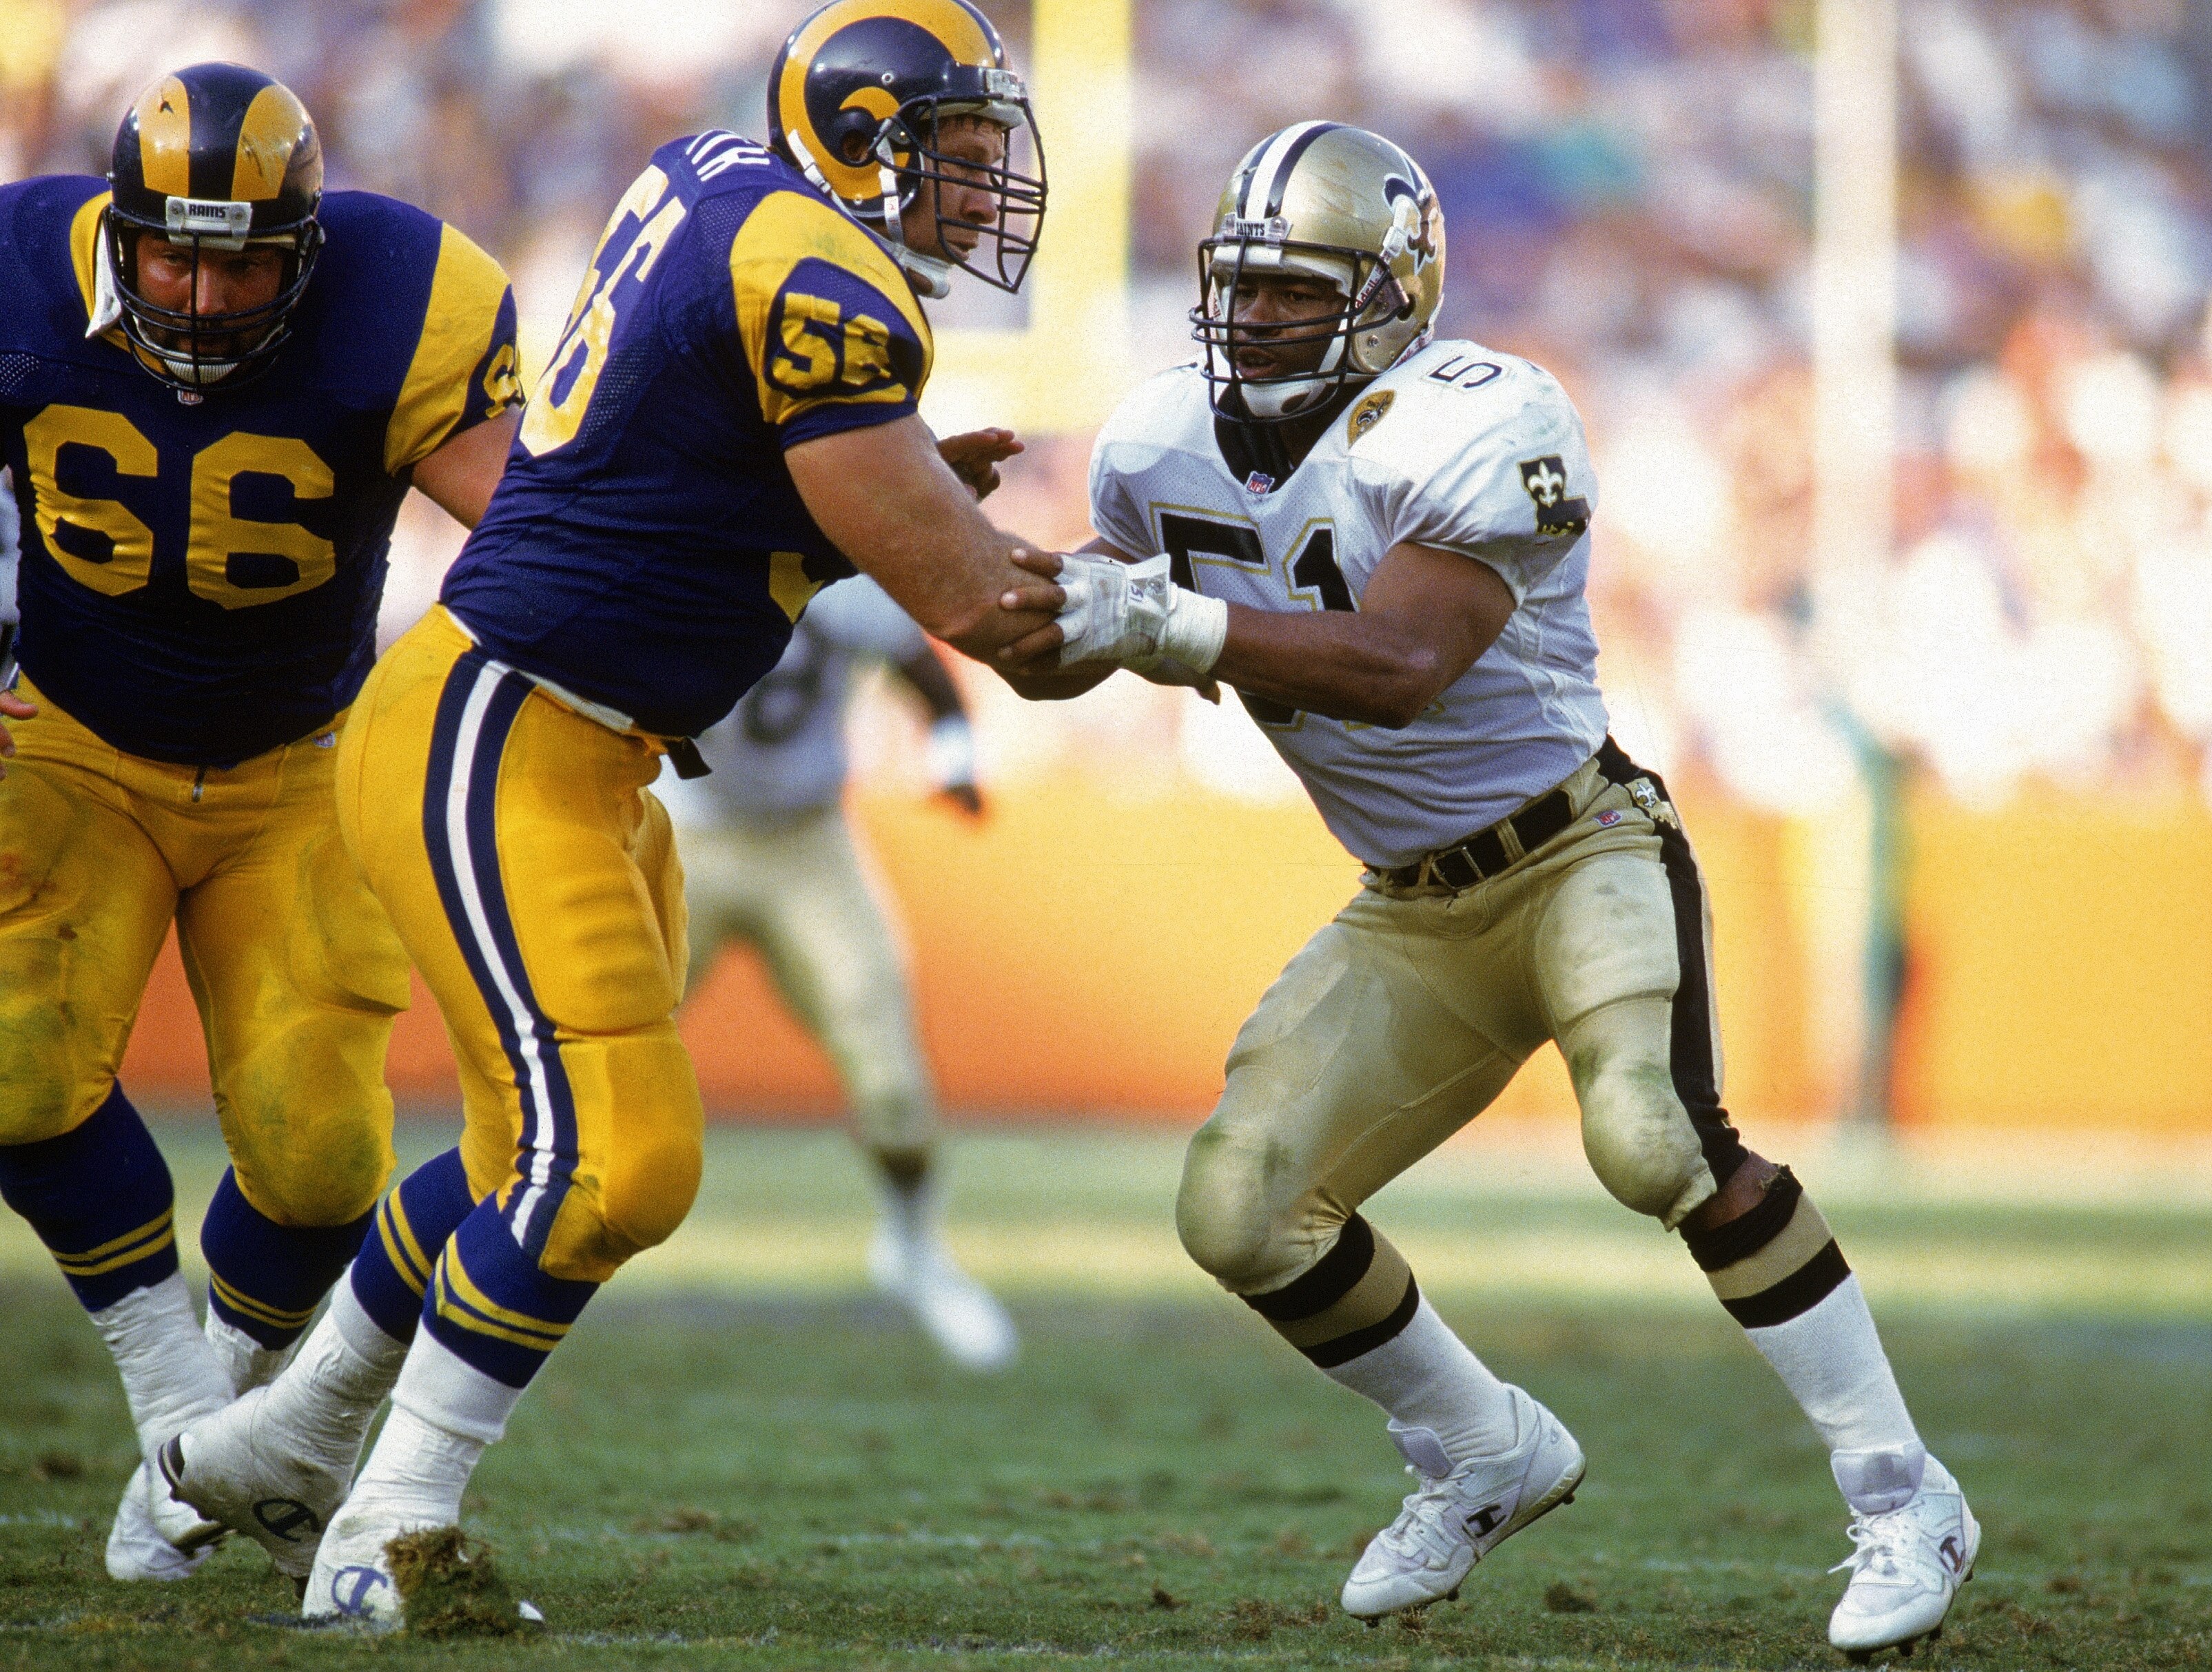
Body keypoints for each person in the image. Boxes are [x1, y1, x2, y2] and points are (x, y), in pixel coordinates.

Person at [997, 122, 1979, 1661]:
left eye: (1294, 288)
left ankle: (1902, 1489)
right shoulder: (1148, 444)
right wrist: (941, 558)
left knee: (1653, 1135)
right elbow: (1073, 653)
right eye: (1240, 284)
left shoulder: (1480, 413)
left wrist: (1163, 623)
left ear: (1391, 293)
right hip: (1412, 905)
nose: (1252, 316)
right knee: (1239, 1208)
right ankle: (1482, 1448)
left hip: (1580, 847)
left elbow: (1400, 665)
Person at [157, 0, 1058, 1626]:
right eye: (959, 151)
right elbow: (982, 612)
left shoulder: (732, 189)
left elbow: (692, 474)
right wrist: (1182, 621)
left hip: (585, 748)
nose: (982, 185)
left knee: (523, 1154)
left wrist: (871, 496)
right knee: (621, 1161)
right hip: (506, 725)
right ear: (862, 142)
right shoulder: (827, 281)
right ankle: (388, 1521)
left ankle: (279, 1440)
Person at [0, 61, 519, 1586]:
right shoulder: (18, 272)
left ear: (307, 247)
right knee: (15, 1059)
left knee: (316, 1153)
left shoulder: (406, 296)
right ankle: (185, 1405)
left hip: (303, 758)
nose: (208, 291)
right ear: (118, 225)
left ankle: (204, 1445)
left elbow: (525, 513)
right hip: (73, 740)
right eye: (176, 252)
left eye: (245, 260)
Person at [655, 572, 1016, 1370]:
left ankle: (915, 1251)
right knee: (599, 1052)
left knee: (890, 1079)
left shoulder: (846, 577)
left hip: (810, 842)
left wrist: (954, 760)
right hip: (683, 836)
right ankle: (513, 1236)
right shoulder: (686, 542)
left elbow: (933, 681)